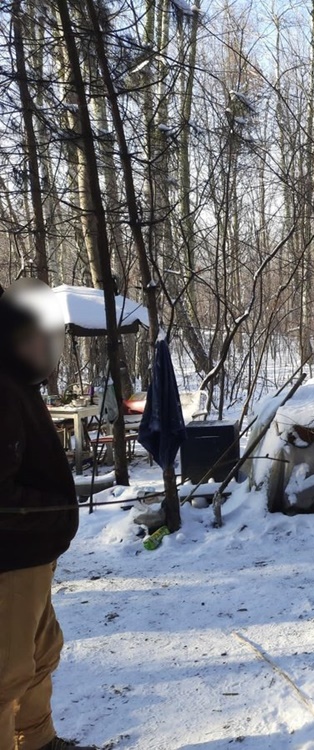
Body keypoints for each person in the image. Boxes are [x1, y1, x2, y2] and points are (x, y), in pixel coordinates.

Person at [0, 288, 95, 750]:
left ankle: (37, 740)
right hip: (10, 557)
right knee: (6, 672)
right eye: (36, 337)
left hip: (34, 552)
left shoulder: (17, 384)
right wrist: (52, 509)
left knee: (41, 654)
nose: (46, 347)